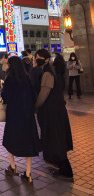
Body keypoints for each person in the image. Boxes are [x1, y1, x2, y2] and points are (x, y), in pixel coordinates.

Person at [33, 49, 73, 180]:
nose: (35, 60)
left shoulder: (47, 74)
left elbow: (43, 94)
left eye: (37, 58)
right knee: (56, 138)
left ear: (45, 59)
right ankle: (59, 165)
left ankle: (66, 171)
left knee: (56, 139)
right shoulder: (47, 71)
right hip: (54, 111)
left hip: (53, 112)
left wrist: (35, 108)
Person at [2, 56, 39, 183]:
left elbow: (5, 97)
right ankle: (28, 174)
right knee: (29, 142)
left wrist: (3, 90)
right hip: (27, 115)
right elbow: (33, 96)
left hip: (14, 115)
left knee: (10, 139)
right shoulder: (27, 78)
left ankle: (13, 167)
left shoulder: (9, 80)